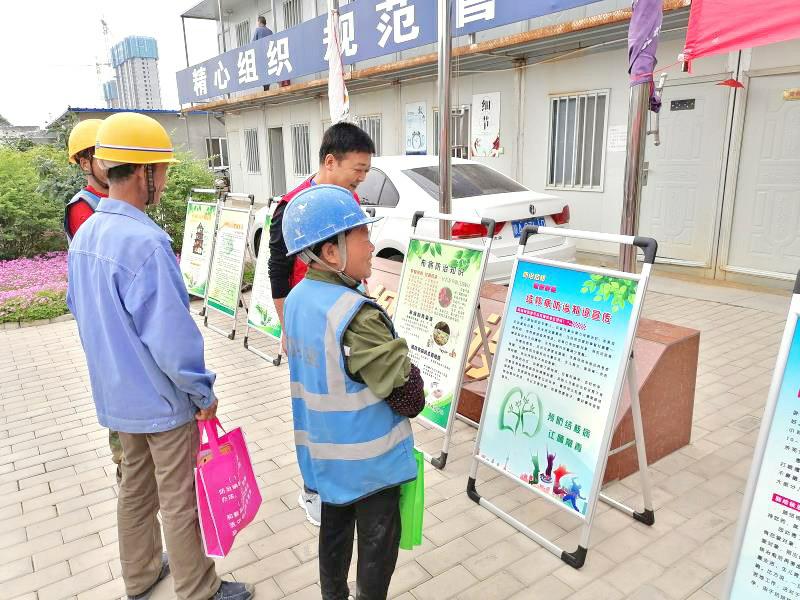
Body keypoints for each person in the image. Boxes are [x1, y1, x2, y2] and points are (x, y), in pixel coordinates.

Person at [66, 112, 254, 600]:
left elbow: (78, 310)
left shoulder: (86, 235)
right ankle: (198, 588)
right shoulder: (146, 243)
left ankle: (141, 575)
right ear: (144, 172)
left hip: (117, 397)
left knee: (135, 488)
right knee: (178, 497)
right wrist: (202, 391)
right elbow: (172, 339)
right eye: (164, 171)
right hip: (161, 401)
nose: (166, 181)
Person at [282, 184, 425, 600]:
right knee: (376, 552)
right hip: (372, 466)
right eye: (363, 235)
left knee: (334, 533)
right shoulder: (357, 317)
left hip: (325, 457)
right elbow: (410, 398)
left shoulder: (297, 299)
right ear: (331, 252)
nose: (372, 245)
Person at [267, 121, 375, 526]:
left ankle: (348, 484)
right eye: (357, 170)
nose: (361, 179)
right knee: (311, 410)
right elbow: (278, 271)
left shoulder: (349, 200)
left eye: (366, 172)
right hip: (310, 325)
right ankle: (313, 489)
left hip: (344, 322)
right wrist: (287, 327)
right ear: (330, 161)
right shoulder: (291, 207)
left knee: (348, 408)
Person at [65, 118, 126, 485]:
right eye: (101, 155)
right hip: (108, 324)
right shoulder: (83, 208)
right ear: (85, 162)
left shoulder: (115, 200)